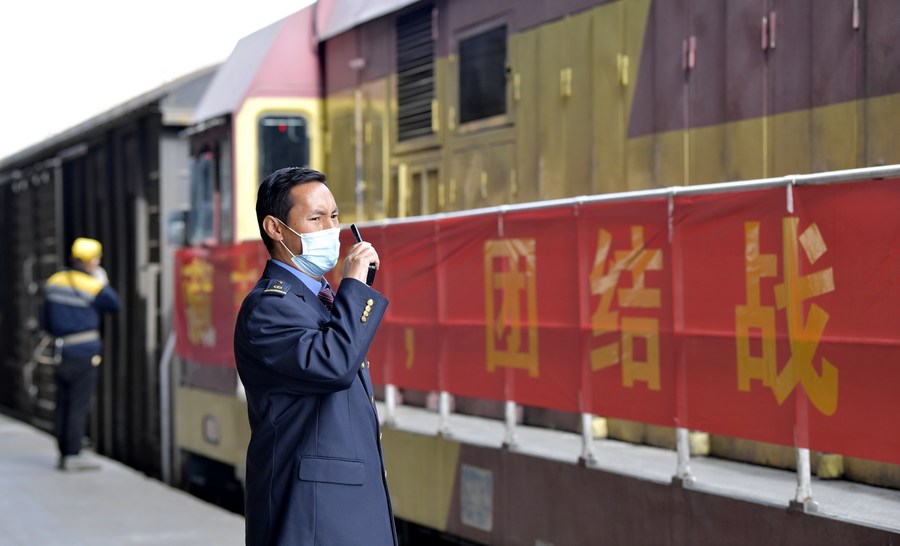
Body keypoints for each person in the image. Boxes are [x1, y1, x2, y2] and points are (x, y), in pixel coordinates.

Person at [234, 167, 396, 545]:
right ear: (275, 229)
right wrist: (353, 287)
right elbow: (334, 365)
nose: (330, 229)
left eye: (335, 216)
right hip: (311, 516)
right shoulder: (268, 307)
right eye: (315, 218)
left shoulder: (318, 300)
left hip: (343, 508)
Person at [42, 237, 120, 471]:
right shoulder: (92, 285)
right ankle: (74, 455)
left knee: (63, 403)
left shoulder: (54, 282)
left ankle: (64, 452)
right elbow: (115, 305)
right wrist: (103, 282)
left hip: (60, 350)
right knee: (78, 403)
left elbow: (46, 319)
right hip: (84, 351)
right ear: (91, 261)